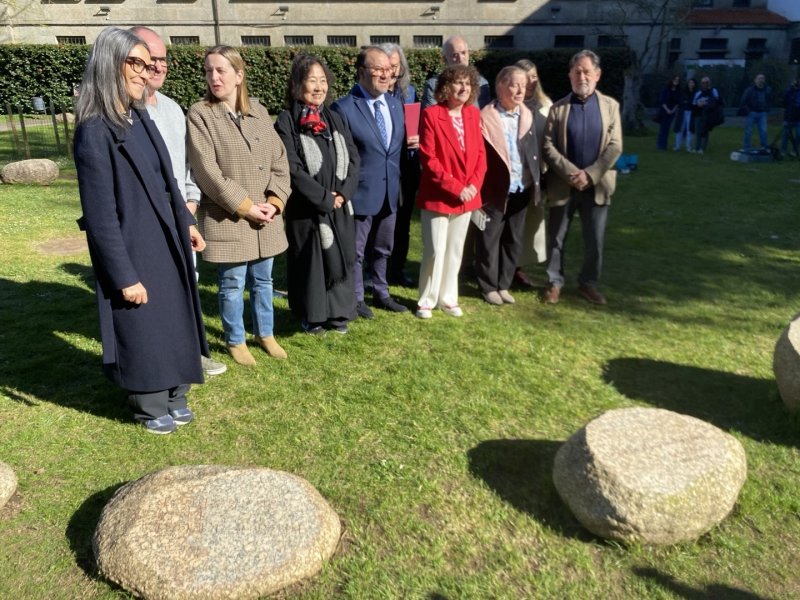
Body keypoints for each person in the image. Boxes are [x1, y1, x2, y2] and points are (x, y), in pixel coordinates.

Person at [74, 27, 209, 434]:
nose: (144, 71)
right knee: (144, 323)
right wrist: (123, 275)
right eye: (135, 62)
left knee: (175, 316)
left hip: (167, 237)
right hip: (133, 245)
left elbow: (167, 179)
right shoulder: (95, 131)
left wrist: (187, 222)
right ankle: (150, 403)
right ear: (109, 64)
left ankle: (175, 392)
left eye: (147, 63)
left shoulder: (142, 117)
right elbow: (100, 217)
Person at [130, 25, 227, 377]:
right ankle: (159, 359)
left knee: (188, 286)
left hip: (181, 216)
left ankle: (191, 352)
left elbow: (189, 165)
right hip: (146, 221)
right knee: (155, 292)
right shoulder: (123, 111)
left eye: (162, 59)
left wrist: (189, 204)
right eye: (149, 59)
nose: (157, 66)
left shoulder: (173, 110)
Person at [187, 46, 291, 366]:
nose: (214, 77)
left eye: (221, 70)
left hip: (266, 217)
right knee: (232, 283)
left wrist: (275, 201)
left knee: (264, 281)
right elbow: (207, 172)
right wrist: (245, 206)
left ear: (239, 75)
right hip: (229, 217)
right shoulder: (200, 114)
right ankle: (235, 339)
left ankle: (266, 333)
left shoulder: (258, 111)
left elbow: (280, 161)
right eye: (208, 71)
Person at [274, 54, 359, 335]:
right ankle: (312, 315)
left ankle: (339, 313)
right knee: (311, 264)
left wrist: (343, 194)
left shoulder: (335, 118)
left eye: (323, 80)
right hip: (307, 210)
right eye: (312, 80)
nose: (319, 87)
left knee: (341, 256)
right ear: (298, 84)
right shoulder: (287, 121)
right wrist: (324, 197)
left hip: (340, 207)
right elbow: (292, 167)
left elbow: (354, 158)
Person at [541, 49, 622, 306]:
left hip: (596, 186)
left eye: (587, 71)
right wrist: (570, 173)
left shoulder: (611, 107)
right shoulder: (557, 108)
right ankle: (554, 282)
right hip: (562, 185)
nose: (582, 76)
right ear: (570, 75)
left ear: (597, 75)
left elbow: (615, 146)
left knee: (594, 240)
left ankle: (588, 283)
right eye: (577, 72)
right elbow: (547, 146)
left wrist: (589, 175)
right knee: (556, 238)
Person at [332, 46, 408, 318]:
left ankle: (382, 291)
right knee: (356, 251)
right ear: (362, 72)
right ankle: (356, 297)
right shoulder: (343, 108)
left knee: (384, 248)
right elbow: (339, 157)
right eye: (379, 70)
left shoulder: (396, 105)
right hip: (360, 193)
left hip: (390, 191)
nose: (386, 76)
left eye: (389, 70)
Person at [415, 64, 486, 319]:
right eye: (458, 82)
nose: (463, 87)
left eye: (468, 83)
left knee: (456, 250)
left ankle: (448, 298)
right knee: (435, 250)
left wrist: (473, 186)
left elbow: (480, 155)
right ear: (446, 86)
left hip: (468, 196)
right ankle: (426, 299)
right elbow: (428, 159)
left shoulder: (473, 115)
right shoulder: (432, 114)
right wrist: (457, 188)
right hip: (438, 195)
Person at [476, 65, 541, 306]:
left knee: (513, 239)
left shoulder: (527, 115)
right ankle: (488, 286)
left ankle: (504, 285)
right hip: (494, 189)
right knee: (489, 240)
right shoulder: (486, 117)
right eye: (514, 84)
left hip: (520, 189)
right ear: (500, 86)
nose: (520, 90)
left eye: (523, 86)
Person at [381, 42, 420, 288]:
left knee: (403, 222)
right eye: (387, 67)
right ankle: (376, 269)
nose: (392, 72)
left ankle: (397, 268)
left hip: (406, 167)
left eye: (395, 66)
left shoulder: (410, 94)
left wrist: (416, 138)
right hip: (382, 168)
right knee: (381, 220)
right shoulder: (372, 93)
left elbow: (417, 127)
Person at [514, 58, 551, 288]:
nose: (530, 82)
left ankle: (518, 267)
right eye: (525, 78)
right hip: (512, 176)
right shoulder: (509, 104)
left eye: (533, 76)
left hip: (536, 176)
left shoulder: (546, 106)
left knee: (528, 227)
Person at [421, 36, 491, 110]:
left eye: (463, 53)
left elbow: (483, 116)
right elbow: (430, 116)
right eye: (454, 55)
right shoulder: (434, 85)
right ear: (445, 59)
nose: (460, 59)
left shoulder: (481, 83)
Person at [739, 73, 772, 150]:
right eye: (759, 78)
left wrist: (767, 109)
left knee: (763, 131)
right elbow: (743, 100)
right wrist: (748, 110)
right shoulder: (749, 90)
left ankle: (764, 146)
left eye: (762, 78)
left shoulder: (767, 90)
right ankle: (746, 146)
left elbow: (770, 100)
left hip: (762, 113)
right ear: (755, 80)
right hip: (752, 112)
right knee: (748, 131)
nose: (761, 80)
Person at [692, 76, 722, 155]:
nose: (705, 84)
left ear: (709, 83)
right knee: (698, 131)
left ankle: (702, 148)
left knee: (705, 131)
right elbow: (694, 103)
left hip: (709, 114)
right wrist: (699, 104)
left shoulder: (713, 91)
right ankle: (697, 148)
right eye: (703, 82)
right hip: (699, 114)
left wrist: (706, 103)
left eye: (706, 82)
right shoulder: (698, 92)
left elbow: (717, 100)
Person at [656, 75, 681, 150]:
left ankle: (664, 144)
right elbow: (662, 101)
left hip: (672, 111)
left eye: (678, 80)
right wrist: (667, 110)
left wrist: (673, 110)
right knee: (663, 128)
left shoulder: (678, 91)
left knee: (667, 128)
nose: (676, 81)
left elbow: (677, 102)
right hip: (664, 110)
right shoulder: (666, 89)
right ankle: (660, 144)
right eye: (675, 80)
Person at [673, 78, 696, 152]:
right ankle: (677, 146)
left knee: (690, 129)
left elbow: (694, 103)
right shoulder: (684, 92)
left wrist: (688, 103)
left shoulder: (696, 93)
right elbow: (681, 101)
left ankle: (688, 146)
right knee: (680, 128)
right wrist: (688, 103)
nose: (691, 84)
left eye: (692, 83)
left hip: (691, 112)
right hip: (683, 112)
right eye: (690, 83)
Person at [780, 78, 800, 158]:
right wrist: (791, 88)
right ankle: (783, 151)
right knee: (785, 134)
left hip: (798, 118)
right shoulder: (790, 91)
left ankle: (794, 151)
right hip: (789, 116)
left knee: (799, 134)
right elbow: (784, 99)